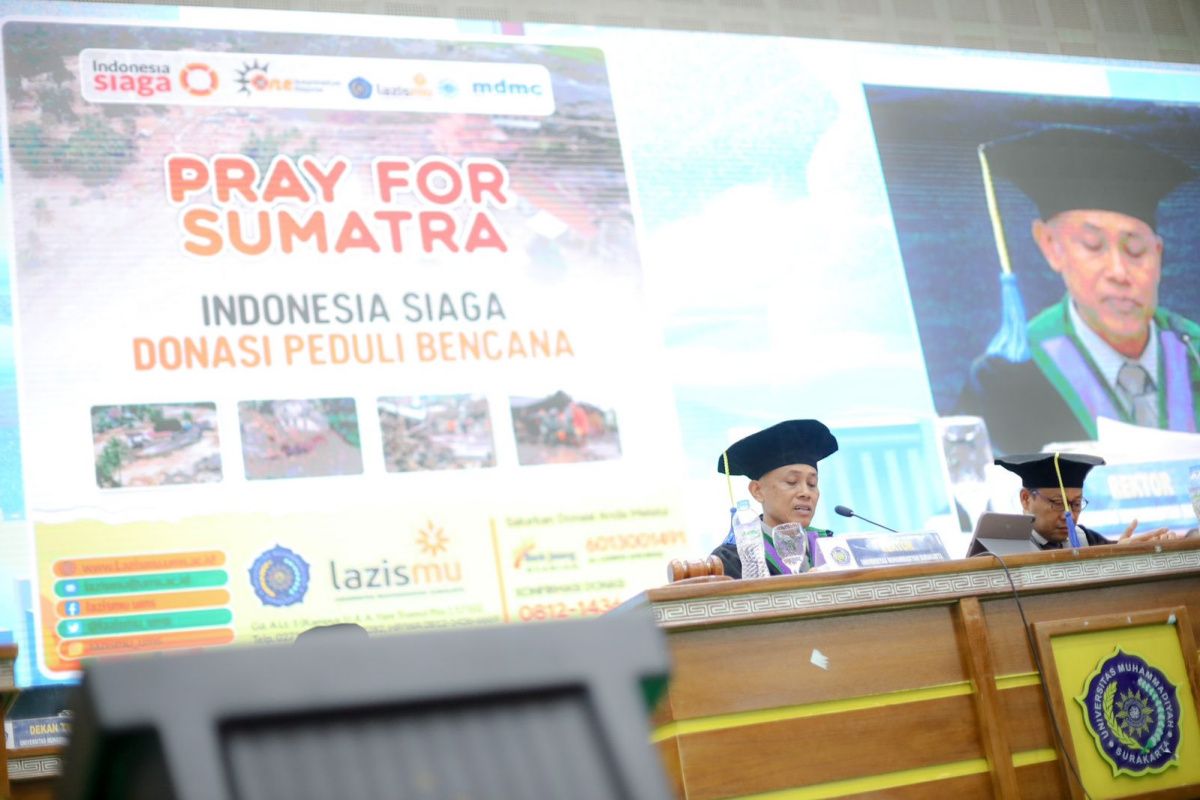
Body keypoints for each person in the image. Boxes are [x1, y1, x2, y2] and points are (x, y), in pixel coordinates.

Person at [957, 127, 1200, 454]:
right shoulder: (1007, 380)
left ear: (1158, 254)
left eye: (1136, 250)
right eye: (1093, 245)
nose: (1118, 272)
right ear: (1051, 246)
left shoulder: (1192, 351)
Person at [710, 419, 837, 579]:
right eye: (792, 482)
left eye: (812, 484)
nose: (806, 492)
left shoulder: (829, 546)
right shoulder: (733, 558)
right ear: (757, 491)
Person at [994, 452, 1176, 550]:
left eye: (1076, 504)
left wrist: (1122, 554)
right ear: (1026, 499)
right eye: (1058, 503)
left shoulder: (1087, 540)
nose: (1070, 516)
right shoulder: (1003, 549)